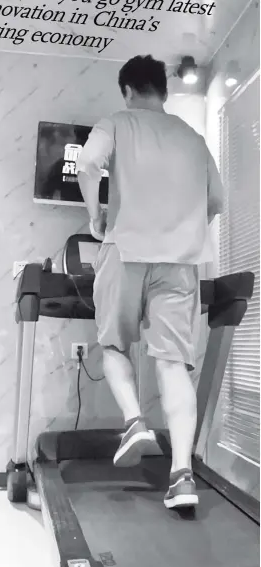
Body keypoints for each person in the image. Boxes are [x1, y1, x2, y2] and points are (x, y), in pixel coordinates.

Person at [76, 55, 224, 510]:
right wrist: (180, 226)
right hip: (180, 264)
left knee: (116, 345)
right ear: (164, 91)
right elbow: (217, 201)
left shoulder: (117, 122)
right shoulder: (193, 138)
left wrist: (95, 215)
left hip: (126, 251)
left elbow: (86, 165)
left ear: (128, 91)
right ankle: (182, 476)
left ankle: (135, 421)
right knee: (172, 364)